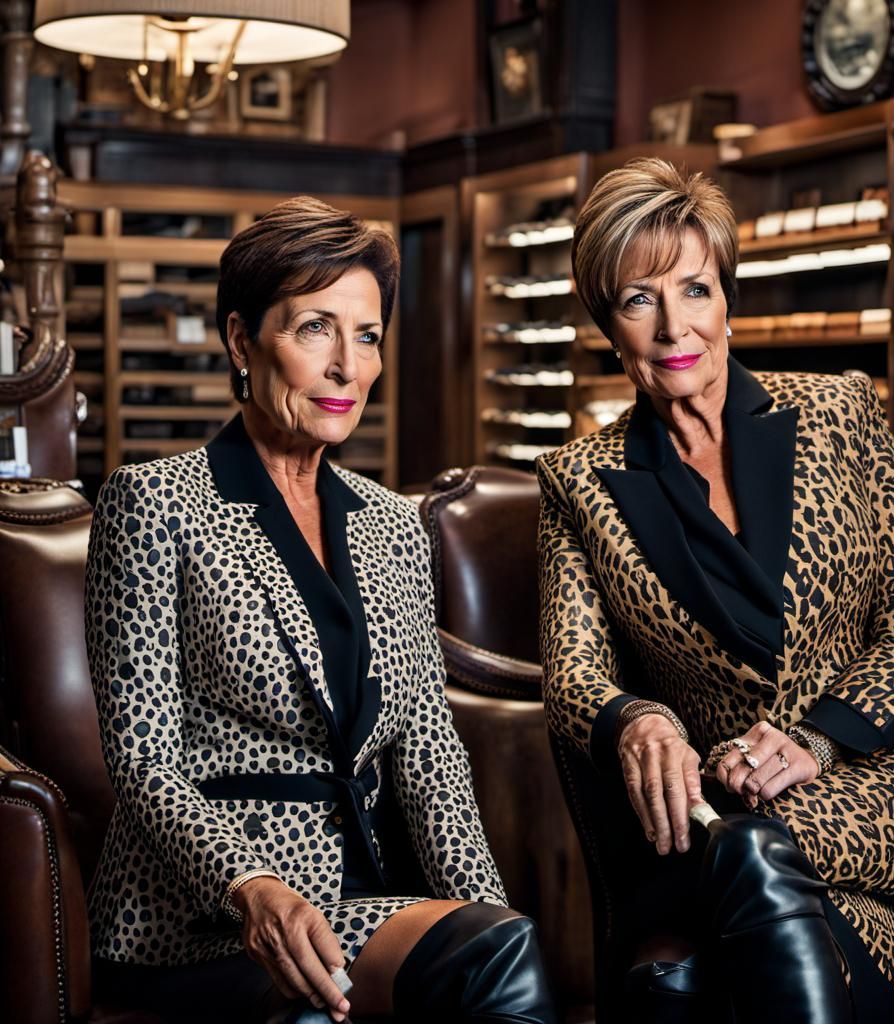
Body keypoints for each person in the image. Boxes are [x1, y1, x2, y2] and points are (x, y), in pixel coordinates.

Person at [537, 159, 894, 1024]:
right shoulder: (579, 481)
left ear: (728, 298)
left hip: (880, 780)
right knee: (754, 856)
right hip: (724, 798)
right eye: (639, 300)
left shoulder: (840, 411)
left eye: (695, 289)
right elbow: (573, 679)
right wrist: (639, 719)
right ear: (608, 323)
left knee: (748, 857)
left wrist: (817, 741)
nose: (675, 325)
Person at [85, 197, 555, 1024]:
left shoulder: (391, 525)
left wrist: (488, 915)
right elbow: (144, 763)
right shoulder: (153, 503)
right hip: (200, 920)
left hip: (362, 895)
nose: (348, 366)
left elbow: (428, 755)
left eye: (366, 335)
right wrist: (250, 886)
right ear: (241, 340)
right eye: (314, 329)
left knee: (499, 948)